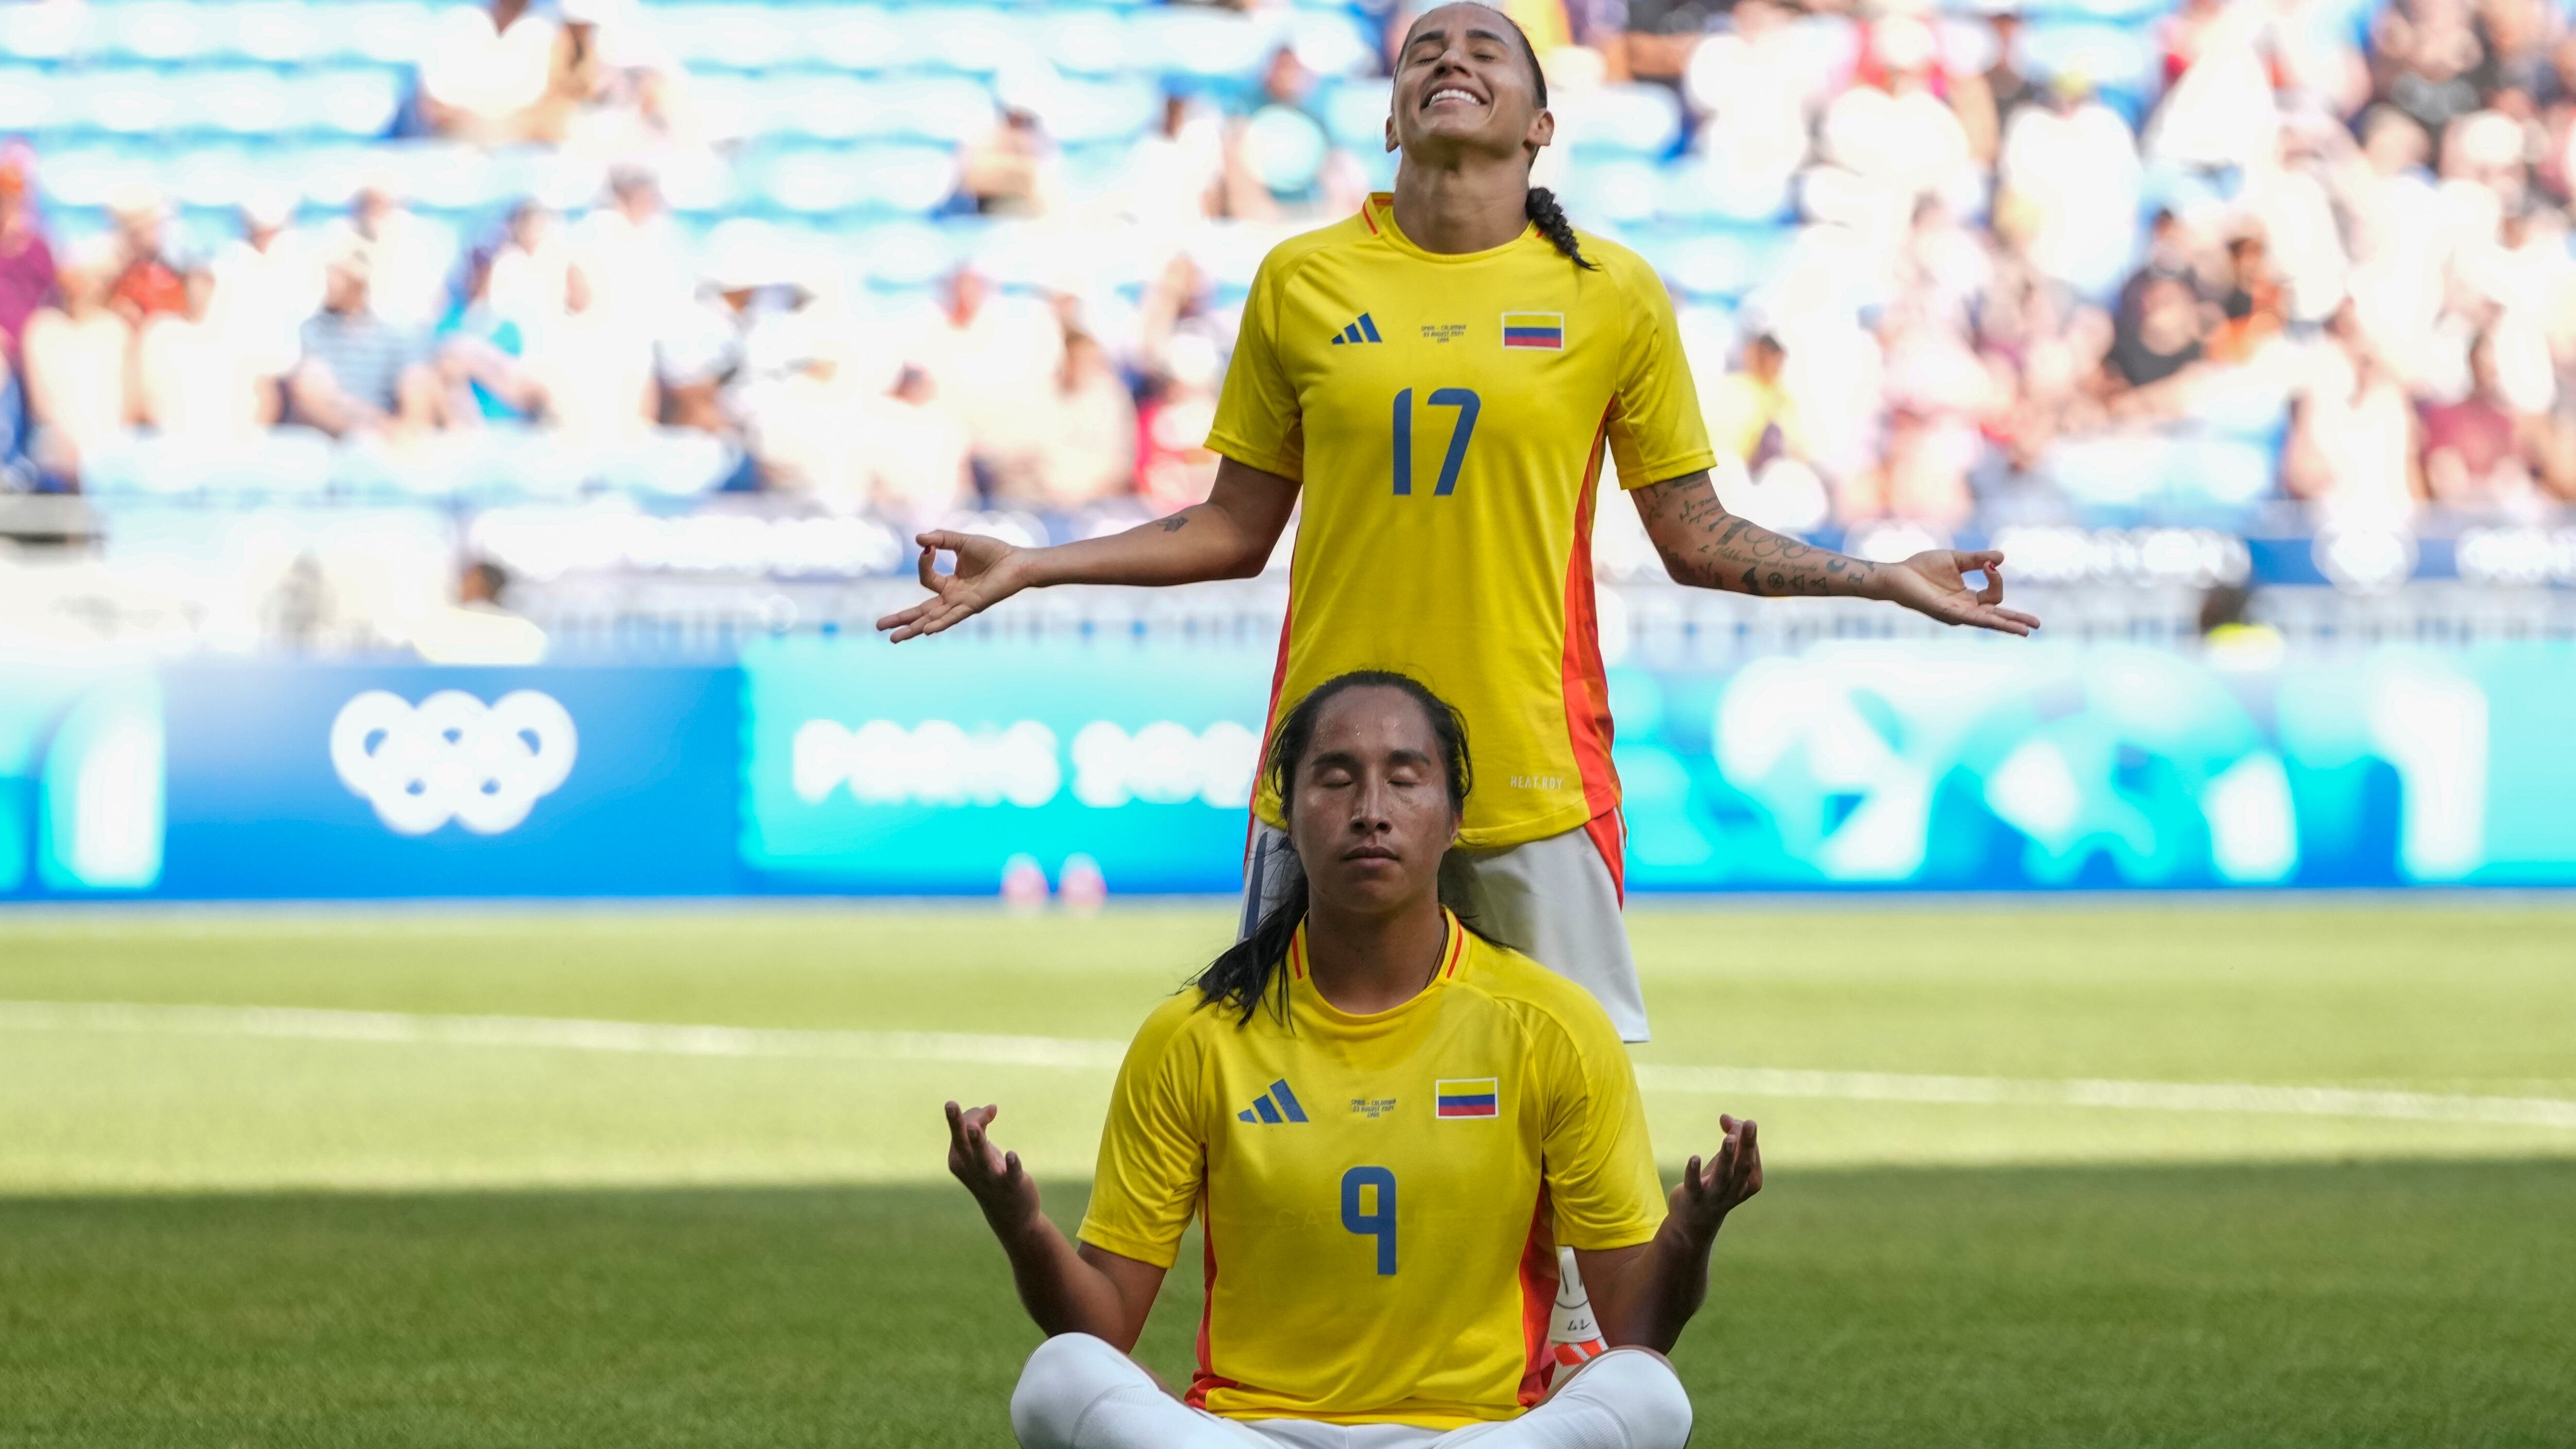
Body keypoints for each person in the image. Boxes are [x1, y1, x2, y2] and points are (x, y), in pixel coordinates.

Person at [880, 1, 2039, 1044]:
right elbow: (1231, 528)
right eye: (1424, 49)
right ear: (1390, 119)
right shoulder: (1300, 279)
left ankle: (1574, 1303)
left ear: (1542, 125)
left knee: (1570, 1123)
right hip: (1328, 773)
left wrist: (1881, 577)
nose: (1451, 57)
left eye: (1488, 48)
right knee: (1298, 1103)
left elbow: (1696, 535)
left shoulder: (1613, 292)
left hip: (1536, 767)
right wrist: (1034, 564)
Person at [952, 671, 1761, 1449]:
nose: (1371, 811)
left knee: (1647, 1391)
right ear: (1287, 812)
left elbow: (1635, 1330)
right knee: (1058, 1376)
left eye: (1405, 780)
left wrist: (1690, 1235)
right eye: (1336, 780)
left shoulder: (1551, 1026)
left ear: (1452, 818)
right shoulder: (1195, 1034)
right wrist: (1018, 1221)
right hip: (1249, 1432)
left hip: (1475, 1435)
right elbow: (1101, 1328)